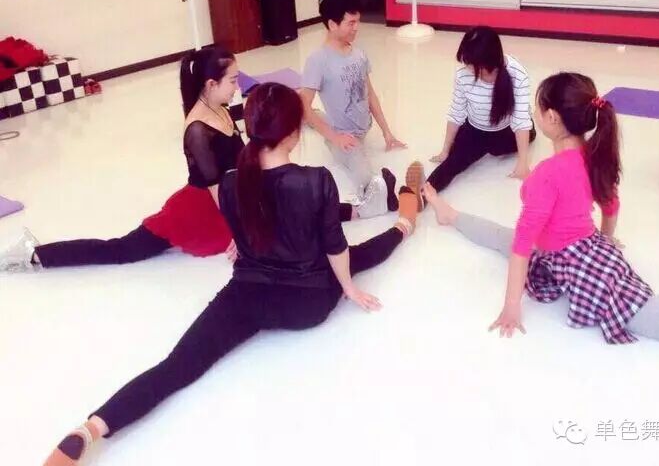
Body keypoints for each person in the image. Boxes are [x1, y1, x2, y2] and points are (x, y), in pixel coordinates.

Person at [43, 83, 424, 465]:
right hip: (306, 302)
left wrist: (244, 246)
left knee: (177, 366)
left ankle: (91, 428)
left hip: (246, 295)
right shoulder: (315, 179)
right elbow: (335, 246)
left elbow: (250, 228)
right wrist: (348, 288)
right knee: (357, 255)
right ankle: (406, 222)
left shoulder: (229, 181)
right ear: (293, 133)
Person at [424, 72, 659, 348]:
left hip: (573, 259)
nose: (535, 114)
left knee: (653, 316)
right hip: (578, 247)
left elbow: (522, 244)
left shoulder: (548, 173)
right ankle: (449, 214)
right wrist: (606, 240)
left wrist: (511, 306)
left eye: (537, 108)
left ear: (551, 118)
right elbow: (611, 205)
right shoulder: (594, 153)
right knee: (500, 237)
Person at [0, 47, 245, 272]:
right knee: (122, 250)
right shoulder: (197, 129)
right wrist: (239, 229)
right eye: (233, 80)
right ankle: (34, 255)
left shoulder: (221, 109)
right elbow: (214, 186)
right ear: (211, 84)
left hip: (225, 200)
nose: (238, 86)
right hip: (200, 209)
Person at [301, 0, 406, 218]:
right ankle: (382, 195)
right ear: (332, 24)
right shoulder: (318, 61)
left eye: (357, 21)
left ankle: (313, 120)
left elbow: (370, 94)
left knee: (318, 115)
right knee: (364, 175)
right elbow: (303, 105)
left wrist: (387, 132)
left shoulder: (359, 54)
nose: (356, 28)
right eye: (350, 23)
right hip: (343, 135)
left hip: (362, 128)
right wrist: (335, 137)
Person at [428, 26, 535, 193]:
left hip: (505, 132)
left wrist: (523, 164)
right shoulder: (463, 75)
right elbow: (456, 112)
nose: (467, 67)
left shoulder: (517, 74)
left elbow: (520, 121)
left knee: (519, 133)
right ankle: (420, 195)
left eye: (471, 63)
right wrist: (444, 151)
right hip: (475, 129)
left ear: (487, 62)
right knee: (452, 163)